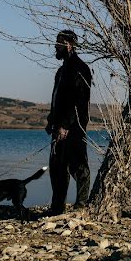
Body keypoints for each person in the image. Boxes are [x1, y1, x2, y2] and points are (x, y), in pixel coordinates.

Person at [45, 29, 92, 215]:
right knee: (57, 171)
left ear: (69, 45)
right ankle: (57, 209)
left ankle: (81, 207)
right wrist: (51, 121)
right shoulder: (61, 70)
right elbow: (57, 99)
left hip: (75, 128)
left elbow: (78, 101)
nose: (55, 46)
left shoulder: (80, 68)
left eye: (58, 43)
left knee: (79, 168)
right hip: (59, 128)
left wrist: (66, 125)